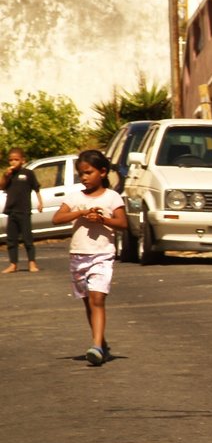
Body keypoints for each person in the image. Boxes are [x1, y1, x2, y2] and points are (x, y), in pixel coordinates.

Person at [52, 150, 127, 366]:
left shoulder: (112, 197)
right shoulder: (75, 198)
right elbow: (57, 218)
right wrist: (80, 213)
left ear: (102, 172)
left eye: (88, 172)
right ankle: (100, 342)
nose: (84, 177)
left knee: (98, 299)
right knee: (88, 301)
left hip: (102, 255)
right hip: (78, 255)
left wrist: (102, 219)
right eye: (81, 174)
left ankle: (95, 346)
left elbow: (122, 223)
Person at [1, 147, 44, 274]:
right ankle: (13, 264)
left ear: (22, 160)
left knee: (27, 238)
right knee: (11, 239)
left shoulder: (28, 173)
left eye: (16, 159)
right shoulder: (9, 175)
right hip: (11, 211)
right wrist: (5, 175)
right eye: (11, 160)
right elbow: (1, 186)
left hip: (24, 210)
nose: (13, 162)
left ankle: (32, 263)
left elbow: (36, 188)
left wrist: (40, 202)